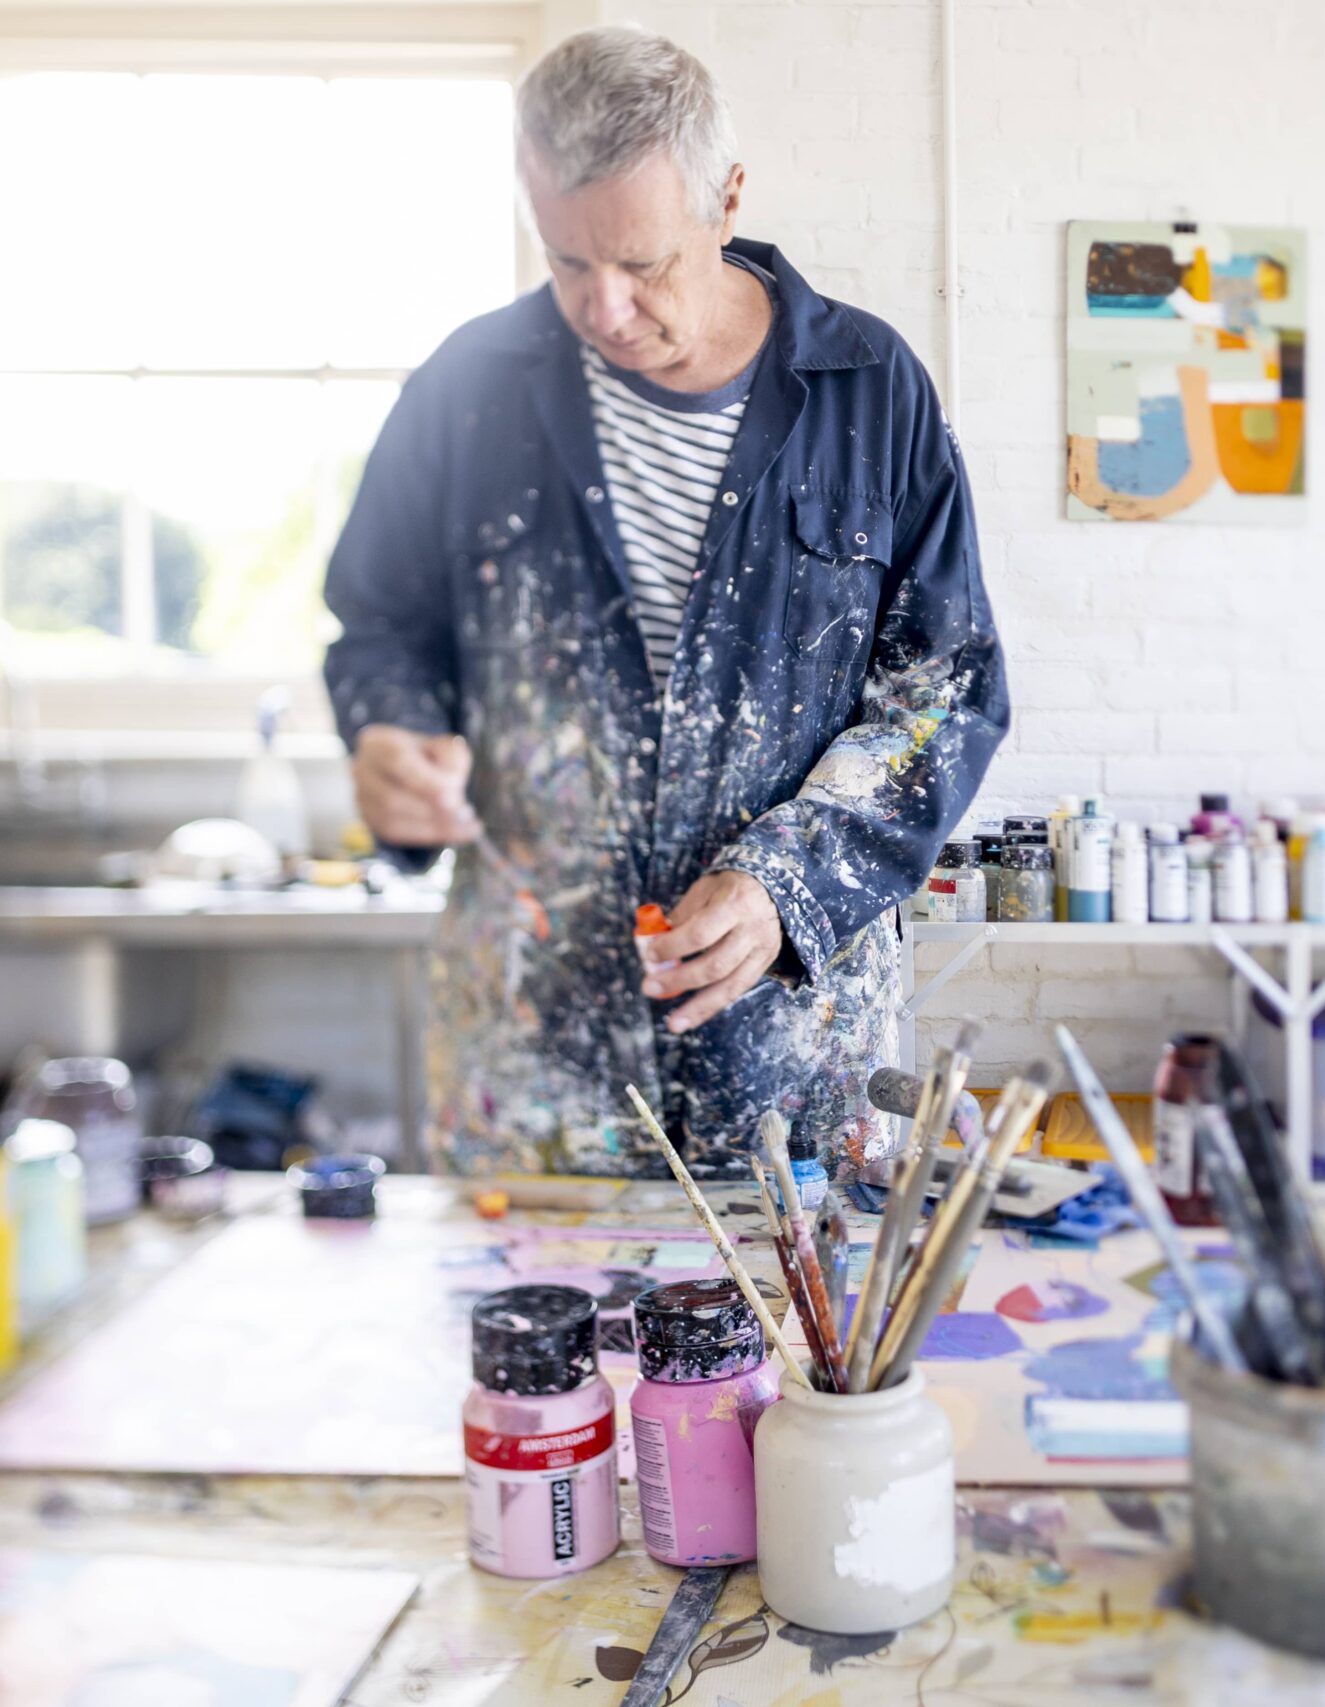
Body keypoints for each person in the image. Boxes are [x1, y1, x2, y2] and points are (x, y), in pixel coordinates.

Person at [324, 27, 1006, 1175]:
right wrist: (389, 734)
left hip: (792, 1061)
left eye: (642, 265)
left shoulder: (868, 389)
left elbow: (942, 693)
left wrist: (789, 877)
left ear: (726, 198)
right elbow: (382, 629)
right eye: (565, 262)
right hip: (530, 1065)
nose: (603, 308)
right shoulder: (465, 390)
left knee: (795, 1352)